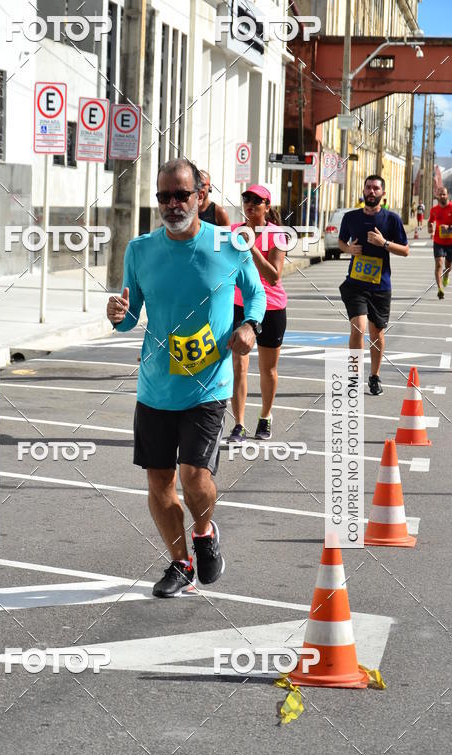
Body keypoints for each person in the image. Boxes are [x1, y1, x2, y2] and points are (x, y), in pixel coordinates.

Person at [107, 159, 265, 598]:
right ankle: (179, 563)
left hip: (208, 384)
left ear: (201, 194)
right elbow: (128, 316)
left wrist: (250, 326)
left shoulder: (228, 244)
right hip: (156, 385)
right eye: (164, 196)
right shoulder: (140, 250)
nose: (172, 204)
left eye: (181, 194)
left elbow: (255, 293)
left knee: (194, 478)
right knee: (159, 482)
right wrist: (117, 316)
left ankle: (205, 531)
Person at [337, 174, 409, 396]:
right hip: (355, 284)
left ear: (383, 194)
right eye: (368, 187)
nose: (371, 191)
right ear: (363, 190)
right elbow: (341, 242)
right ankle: (353, 377)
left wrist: (384, 243)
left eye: (376, 188)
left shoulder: (392, 220)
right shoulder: (350, 218)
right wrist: (349, 250)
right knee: (358, 327)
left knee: (377, 333)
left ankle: (375, 376)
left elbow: (405, 250)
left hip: (380, 286)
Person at [227, 185, 288, 442]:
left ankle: (265, 416)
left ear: (267, 206)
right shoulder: (232, 231)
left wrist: (250, 247)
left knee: (268, 369)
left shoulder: (277, 234)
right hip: (239, 305)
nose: (250, 203)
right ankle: (238, 424)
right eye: (246, 198)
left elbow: (274, 276)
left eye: (256, 200)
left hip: (271, 307)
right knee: (239, 366)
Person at [427, 186, 452, 298]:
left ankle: (446, 275)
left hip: (451, 241)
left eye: (444, 194)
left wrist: (451, 227)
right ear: (437, 195)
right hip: (438, 241)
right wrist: (430, 227)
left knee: (448, 266)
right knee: (439, 265)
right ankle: (440, 288)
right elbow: (430, 221)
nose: (442, 196)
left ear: (447, 195)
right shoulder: (434, 210)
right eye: (440, 194)